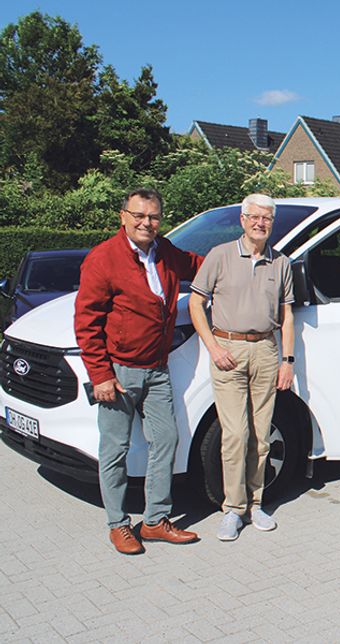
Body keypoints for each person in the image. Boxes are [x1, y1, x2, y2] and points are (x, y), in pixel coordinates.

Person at [74, 188, 204, 555]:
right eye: (139, 215)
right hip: (119, 373)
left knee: (166, 440)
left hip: (157, 370)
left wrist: (240, 258)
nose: (147, 222)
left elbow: (200, 265)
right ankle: (118, 524)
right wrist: (100, 374)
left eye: (154, 216)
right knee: (114, 450)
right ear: (123, 217)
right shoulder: (104, 258)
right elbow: (86, 322)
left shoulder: (165, 252)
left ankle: (155, 521)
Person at [188, 194, 295, 542]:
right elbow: (196, 303)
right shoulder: (219, 256)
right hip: (228, 350)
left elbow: (287, 316)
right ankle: (233, 509)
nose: (260, 223)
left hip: (265, 349)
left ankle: (256, 503)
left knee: (261, 436)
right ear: (243, 220)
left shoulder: (281, 263)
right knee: (235, 434)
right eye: (255, 217)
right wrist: (213, 347)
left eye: (267, 218)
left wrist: (287, 360)